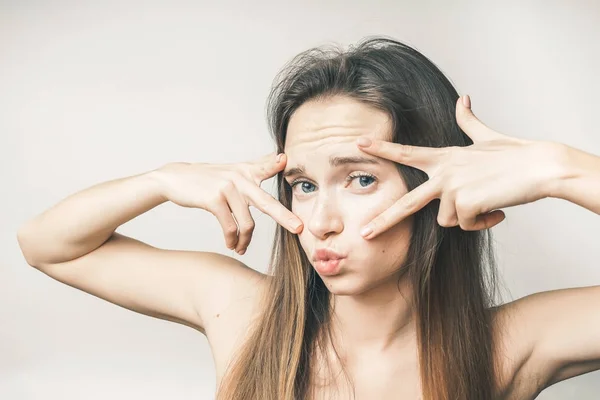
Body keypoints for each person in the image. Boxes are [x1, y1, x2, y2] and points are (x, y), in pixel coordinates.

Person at [16, 37, 600, 400]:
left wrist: (560, 169)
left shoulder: (508, 346)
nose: (320, 220)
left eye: (361, 179)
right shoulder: (244, 315)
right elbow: (47, 245)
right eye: (302, 185)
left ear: (436, 188)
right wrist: (162, 180)